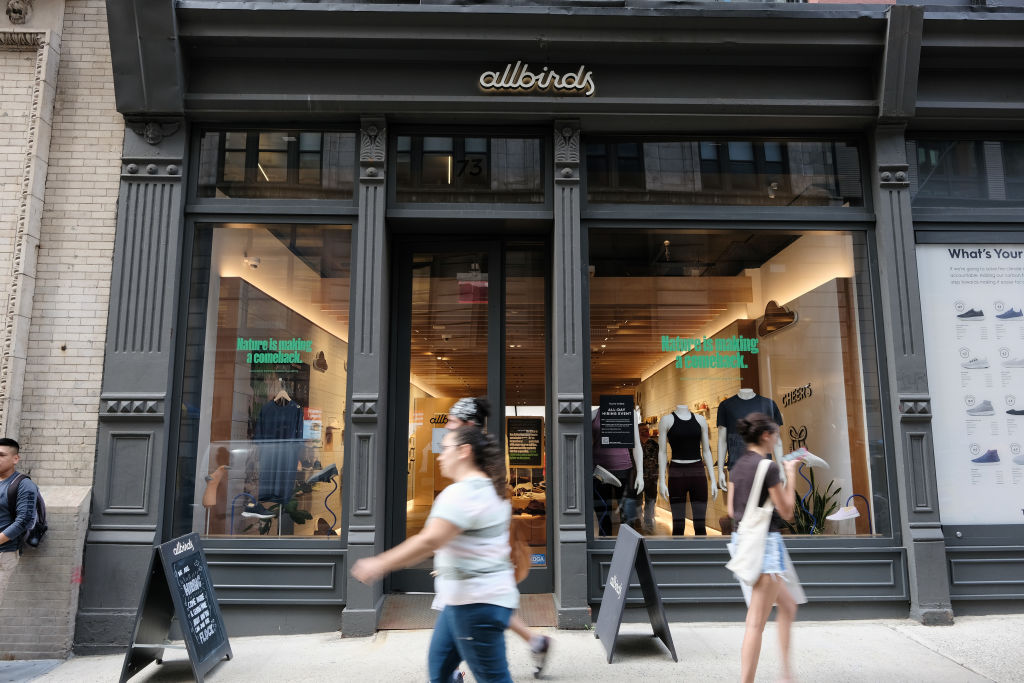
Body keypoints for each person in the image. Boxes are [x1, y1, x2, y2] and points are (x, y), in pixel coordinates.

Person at [352, 425, 517, 683]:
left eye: (445, 449)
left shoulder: (462, 493)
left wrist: (379, 564)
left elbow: (429, 540)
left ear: (464, 451)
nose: (439, 455)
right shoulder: (491, 490)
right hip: (461, 601)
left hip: (476, 605)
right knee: (440, 671)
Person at [446, 397, 552, 678]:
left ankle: (452, 668)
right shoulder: (474, 452)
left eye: (453, 421)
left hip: (479, 553)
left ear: (468, 425)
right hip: (480, 553)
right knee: (487, 607)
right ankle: (536, 641)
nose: (448, 426)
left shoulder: (473, 454)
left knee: (470, 608)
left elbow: (482, 506)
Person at [727, 413, 803, 683]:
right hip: (766, 546)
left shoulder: (737, 467)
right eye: (775, 435)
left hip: (745, 542)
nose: (777, 440)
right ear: (765, 436)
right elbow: (787, 511)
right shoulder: (768, 468)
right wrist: (791, 475)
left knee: (788, 605)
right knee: (756, 622)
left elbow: (730, 510)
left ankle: (786, 673)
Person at [0, 437, 39, 604]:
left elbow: (24, 520)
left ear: (15, 458)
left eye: (1, 455)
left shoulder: (23, 485)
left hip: (4, 553)